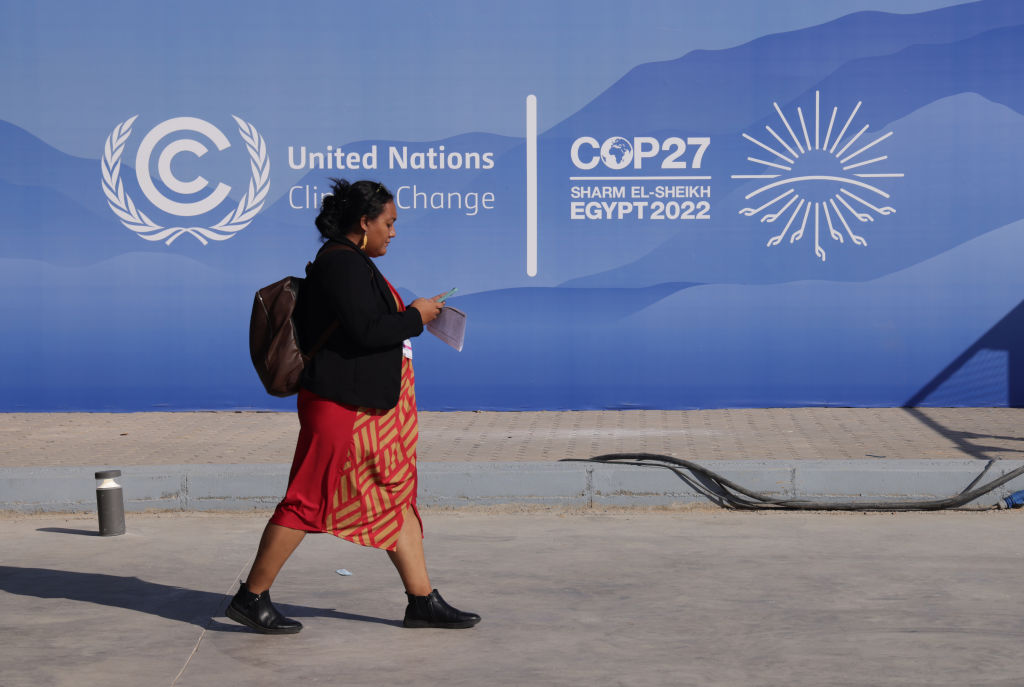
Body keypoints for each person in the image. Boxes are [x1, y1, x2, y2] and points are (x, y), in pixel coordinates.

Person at [226, 178, 480, 634]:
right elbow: (367, 331)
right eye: (389, 222)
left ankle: (421, 601)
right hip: (340, 408)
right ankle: (251, 597)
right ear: (364, 224)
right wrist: (416, 317)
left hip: (365, 409)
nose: (394, 232)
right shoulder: (341, 265)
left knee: (395, 496)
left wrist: (412, 315)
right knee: (306, 501)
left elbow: (364, 325)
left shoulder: (352, 262)